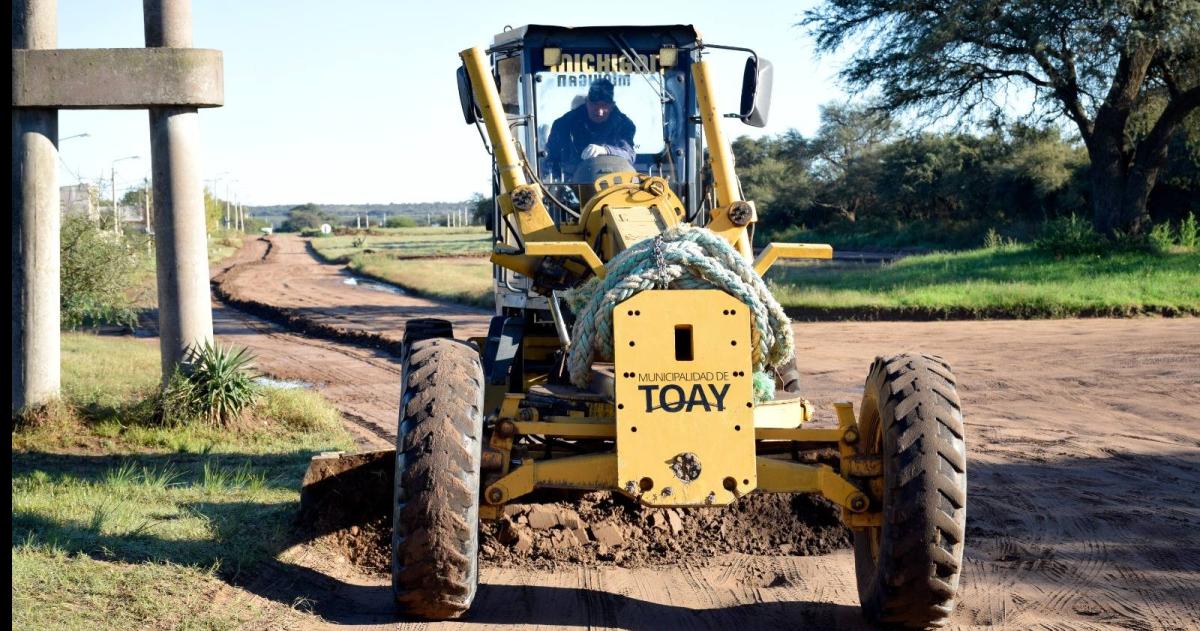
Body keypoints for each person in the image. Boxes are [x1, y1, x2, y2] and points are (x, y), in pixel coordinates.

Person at [544, 78, 637, 180]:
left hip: (616, 184)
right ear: (587, 103)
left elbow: (629, 154)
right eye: (595, 105)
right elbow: (550, 161)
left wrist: (606, 150)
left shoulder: (624, 125)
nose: (599, 111)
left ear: (612, 106)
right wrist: (559, 182)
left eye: (604, 105)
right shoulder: (563, 125)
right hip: (573, 185)